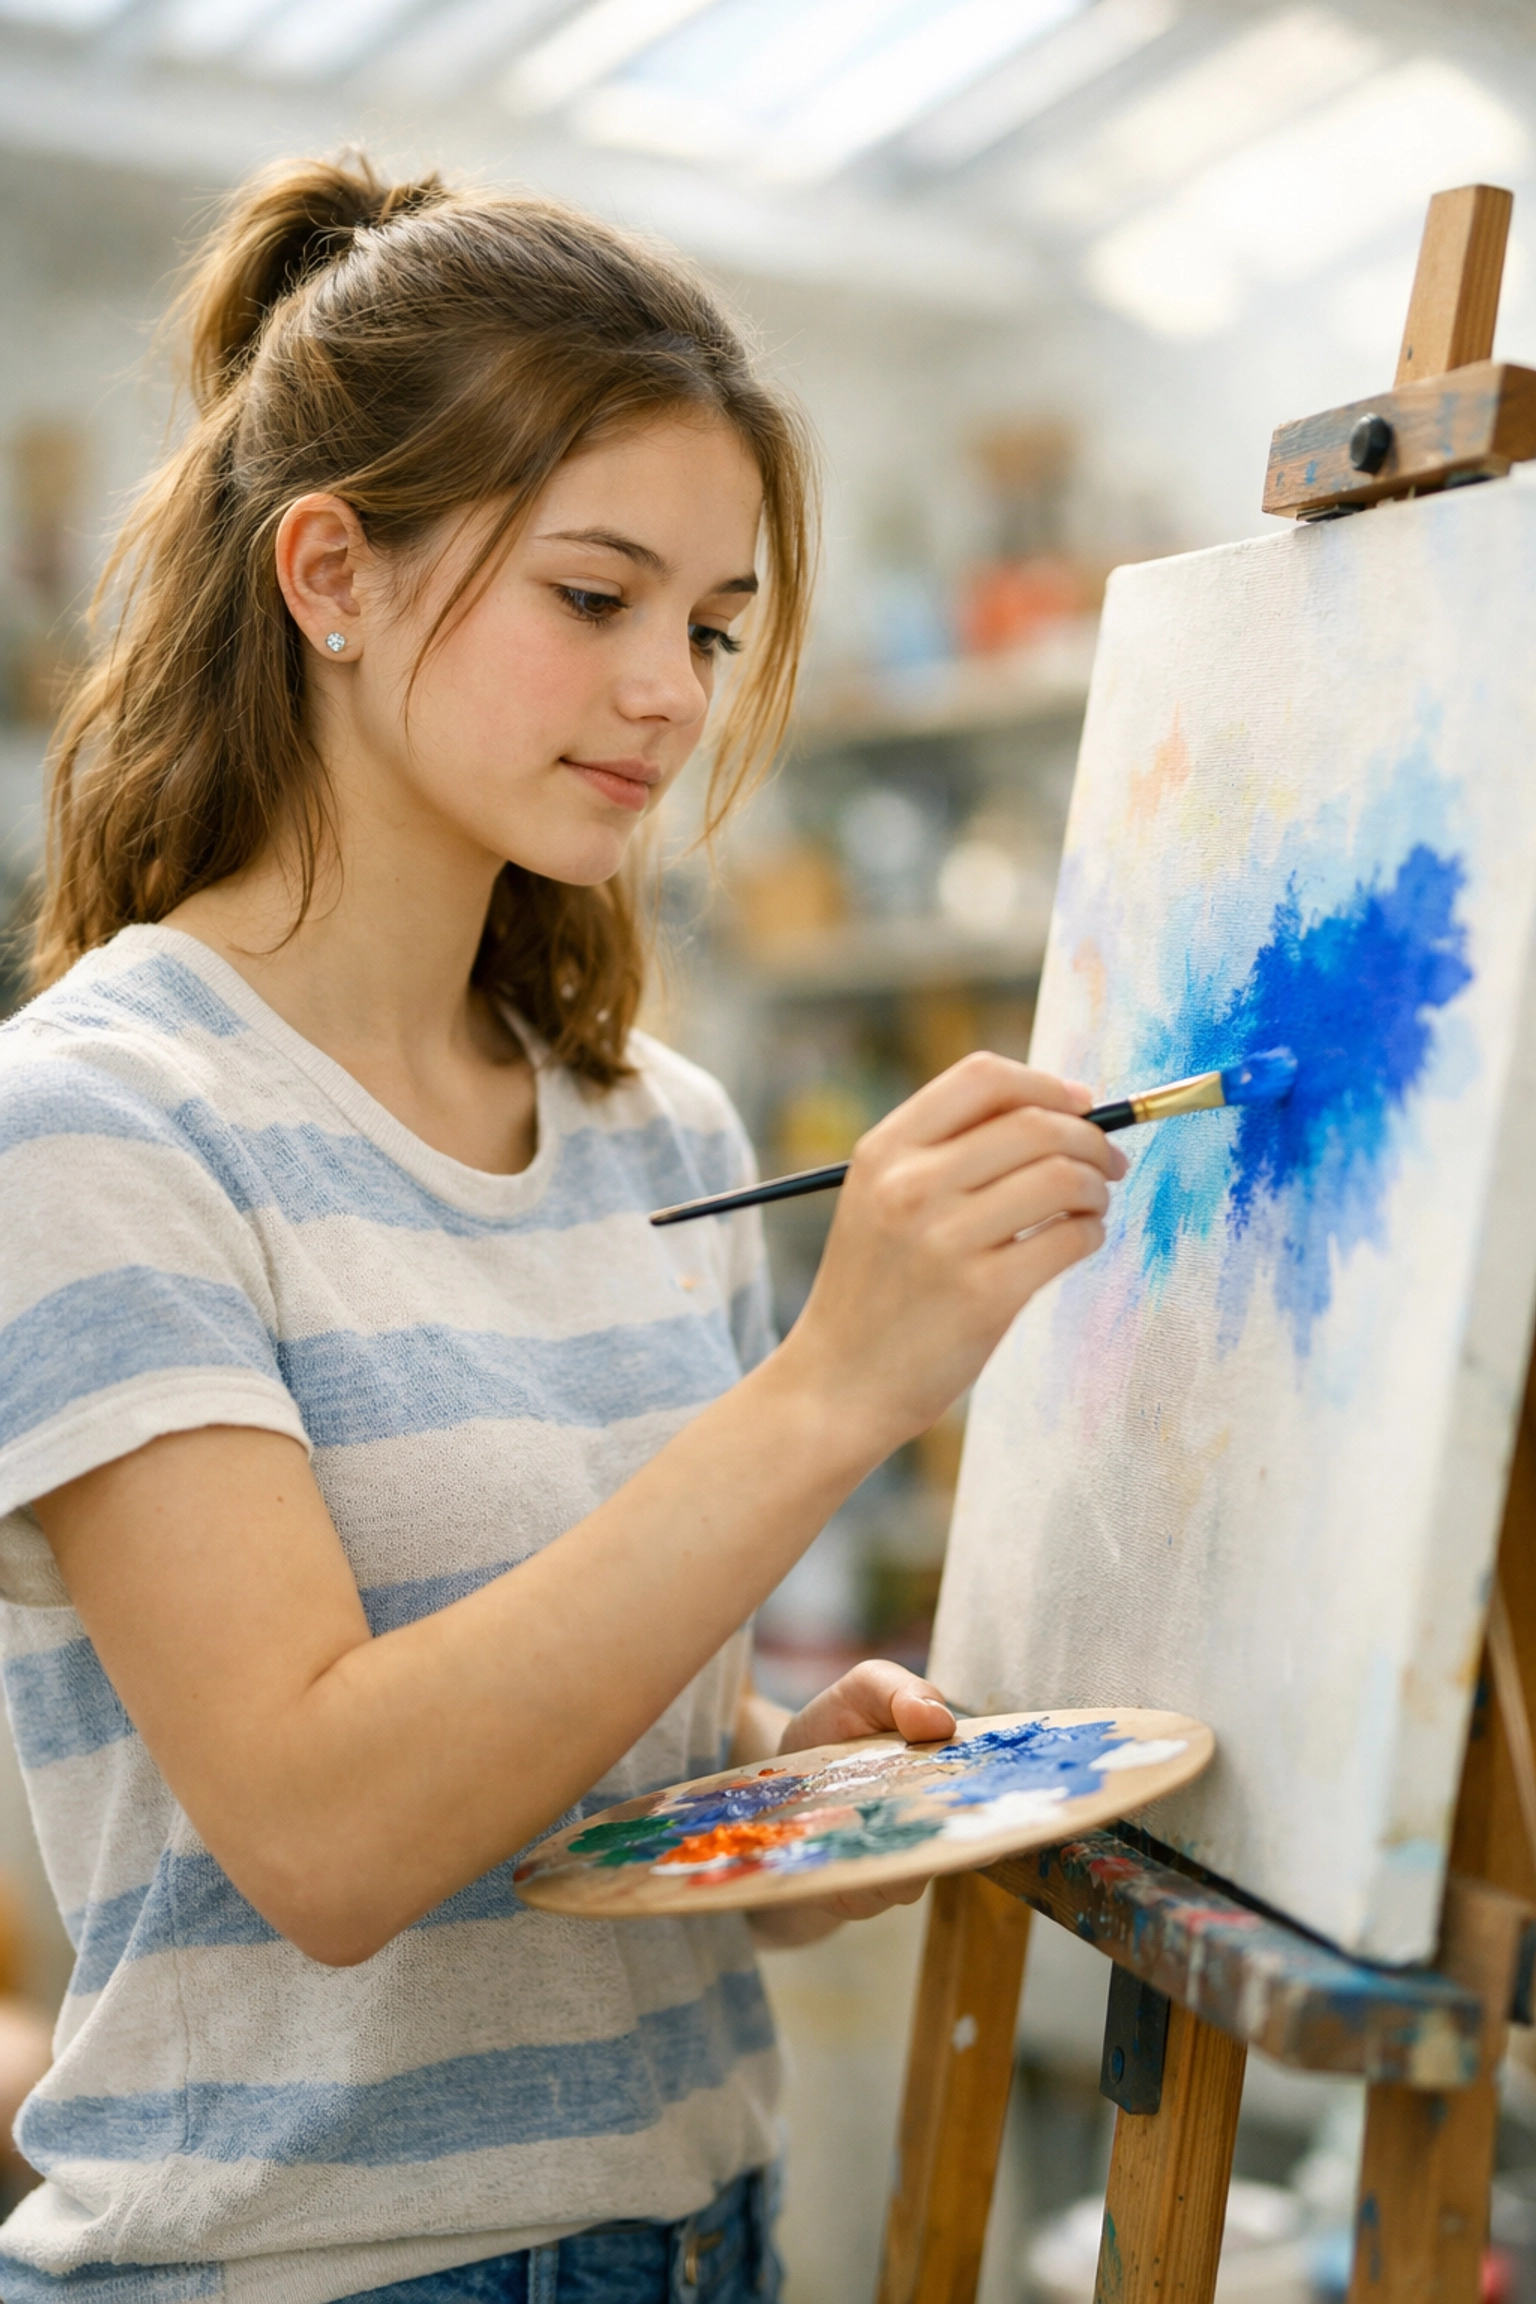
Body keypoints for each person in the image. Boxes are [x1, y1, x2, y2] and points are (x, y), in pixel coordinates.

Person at [0, 156, 1124, 2304]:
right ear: (331, 572)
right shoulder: (98, 1122)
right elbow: (328, 1839)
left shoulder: (653, 1130)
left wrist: (779, 1800)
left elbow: (575, 1771)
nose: (674, 693)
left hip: (705, 2236)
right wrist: (833, 1391)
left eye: (708, 626)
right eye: (595, 599)